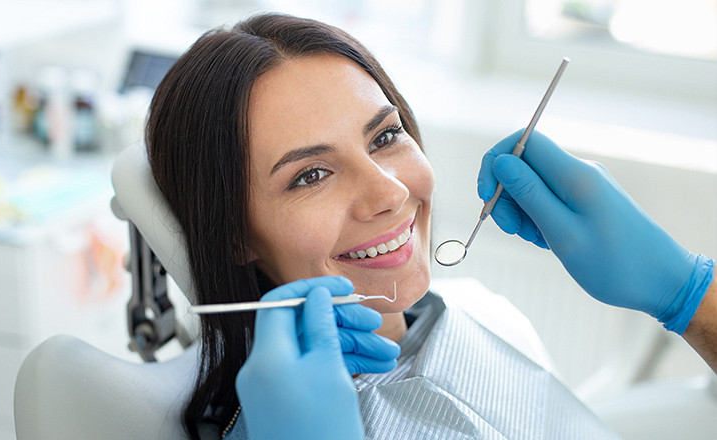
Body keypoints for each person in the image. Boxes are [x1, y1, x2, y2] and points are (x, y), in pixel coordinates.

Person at [145, 12, 714, 440]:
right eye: (312, 174)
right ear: (232, 234)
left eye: (385, 137)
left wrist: (688, 293)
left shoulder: (476, 314)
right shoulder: (286, 422)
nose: (390, 192)